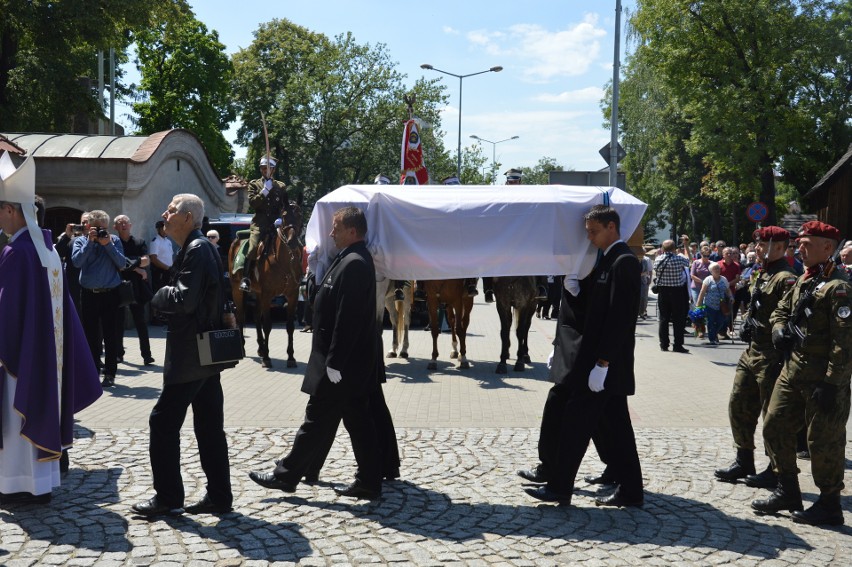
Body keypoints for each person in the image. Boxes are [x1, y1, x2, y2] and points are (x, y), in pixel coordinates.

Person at [249, 206, 383, 499]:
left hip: (340, 365)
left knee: (318, 419)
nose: (331, 232)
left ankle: (287, 475)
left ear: (352, 231)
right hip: (342, 363)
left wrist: (334, 363)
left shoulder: (356, 263)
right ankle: (369, 480)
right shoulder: (347, 258)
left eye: (336, 227)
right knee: (357, 421)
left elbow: (348, 319)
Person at [524, 205, 643, 507]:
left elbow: (620, 320)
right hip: (599, 364)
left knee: (575, 425)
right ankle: (631, 492)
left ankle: (559, 488)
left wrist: (602, 363)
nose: (589, 238)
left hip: (605, 365)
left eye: (593, 231)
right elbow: (597, 305)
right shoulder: (608, 262)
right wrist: (576, 290)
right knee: (619, 431)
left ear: (611, 228)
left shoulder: (624, 262)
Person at [0, 151, 101, 505]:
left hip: (21, 356)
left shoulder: (17, 253)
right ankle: (40, 483)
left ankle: (16, 484)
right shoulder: (45, 249)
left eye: (0, 209)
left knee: (16, 420)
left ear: (12, 210)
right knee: (36, 409)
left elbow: (7, 311)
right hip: (45, 354)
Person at [131, 194, 233, 517]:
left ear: (188, 218)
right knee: (208, 426)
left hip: (192, 357)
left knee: (162, 422)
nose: (165, 213)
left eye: (171, 210)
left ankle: (169, 498)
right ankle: (219, 496)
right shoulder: (200, 247)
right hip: (202, 356)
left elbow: (184, 300)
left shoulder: (198, 249)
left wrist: (158, 294)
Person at [752, 221, 852, 526]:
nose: (800, 248)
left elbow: (844, 343)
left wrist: (833, 383)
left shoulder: (838, 288)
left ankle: (829, 503)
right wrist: (780, 329)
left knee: (823, 442)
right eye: (801, 243)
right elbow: (780, 310)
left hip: (822, 380)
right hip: (792, 372)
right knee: (774, 427)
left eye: (808, 243)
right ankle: (788, 490)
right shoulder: (806, 280)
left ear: (828, 248)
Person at [714, 226, 795, 488]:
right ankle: (743, 459)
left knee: (771, 415)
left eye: (762, 245)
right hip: (752, 351)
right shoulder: (762, 272)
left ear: (780, 247)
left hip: (772, 355)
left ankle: (775, 468)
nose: (756, 249)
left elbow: (790, 318)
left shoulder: (786, 277)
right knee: (739, 404)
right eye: (757, 244)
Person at [71, 209, 127, 388]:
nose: (100, 231)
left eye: (103, 228)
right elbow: (77, 262)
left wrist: (107, 244)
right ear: (88, 227)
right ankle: (93, 371)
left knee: (111, 335)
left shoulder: (114, 240)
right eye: (96, 228)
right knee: (91, 336)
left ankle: (110, 373)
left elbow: (122, 263)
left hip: (110, 293)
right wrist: (90, 242)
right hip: (89, 294)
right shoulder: (81, 240)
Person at [240, 156, 295, 292]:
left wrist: (282, 219)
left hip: (276, 223)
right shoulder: (254, 184)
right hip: (260, 223)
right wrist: (264, 191)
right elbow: (253, 203)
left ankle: (294, 277)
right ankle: (246, 278)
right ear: (261, 169)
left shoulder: (280, 186)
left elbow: (284, 205)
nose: (266, 171)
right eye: (264, 168)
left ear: (274, 170)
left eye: (269, 168)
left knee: (292, 244)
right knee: (253, 247)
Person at [114, 214, 154, 366]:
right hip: (119, 287)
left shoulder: (139, 242)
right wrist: (138, 268)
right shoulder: (114, 243)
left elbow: (146, 260)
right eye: (119, 222)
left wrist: (129, 263)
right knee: (118, 323)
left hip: (137, 288)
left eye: (125, 222)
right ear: (115, 227)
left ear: (130, 225)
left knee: (141, 323)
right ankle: (118, 354)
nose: (123, 224)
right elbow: (116, 263)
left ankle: (147, 355)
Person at [654, 239, 692, 353]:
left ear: (663, 248)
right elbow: (690, 262)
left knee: (664, 319)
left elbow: (656, 269)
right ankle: (678, 345)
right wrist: (686, 246)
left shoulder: (658, 259)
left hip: (663, 291)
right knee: (678, 319)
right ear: (674, 248)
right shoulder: (679, 259)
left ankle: (664, 344)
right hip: (677, 291)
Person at [695, 262, 733, 345]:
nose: (717, 270)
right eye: (715, 269)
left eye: (718, 268)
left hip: (721, 305)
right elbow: (702, 291)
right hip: (709, 304)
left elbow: (727, 290)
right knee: (710, 321)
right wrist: (698, 303)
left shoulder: (724, 279)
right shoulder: (708, 279)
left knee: (721, 320)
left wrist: (731, 297)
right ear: (711, 271)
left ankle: (714, 333)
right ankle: (712, 338)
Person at [719, 247, 742, 339]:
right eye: (727, 253)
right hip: (720, 292)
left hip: (731, 292)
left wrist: (728, 284)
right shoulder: (718, 264)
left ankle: (724, 331)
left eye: (731, 253)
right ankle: (720, 331)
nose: (729, 255)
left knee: (728, 312)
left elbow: (737, 278)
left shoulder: (736, 265)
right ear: (723, 254)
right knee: (720, 312)